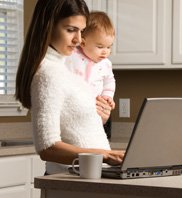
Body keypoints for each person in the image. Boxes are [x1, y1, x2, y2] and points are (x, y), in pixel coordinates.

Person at [15, 0, 124, 175]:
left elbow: (74, 122)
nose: (78, 40)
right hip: (69, 181)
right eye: (71, 30)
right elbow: (48, 147)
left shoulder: (65, 69)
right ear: (48, 26)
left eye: (81, 31)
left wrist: (98, 114)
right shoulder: (47, 73)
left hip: (90, 178)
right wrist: (106, 155)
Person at [66, 11, 116, 109]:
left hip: (95, 107)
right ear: (83, 43)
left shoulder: (106, 64)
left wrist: (107, 96)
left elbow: (109, 81)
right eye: (100, 47)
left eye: (109, 47)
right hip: (74, 106)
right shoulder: (72, 55)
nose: (105, 52)